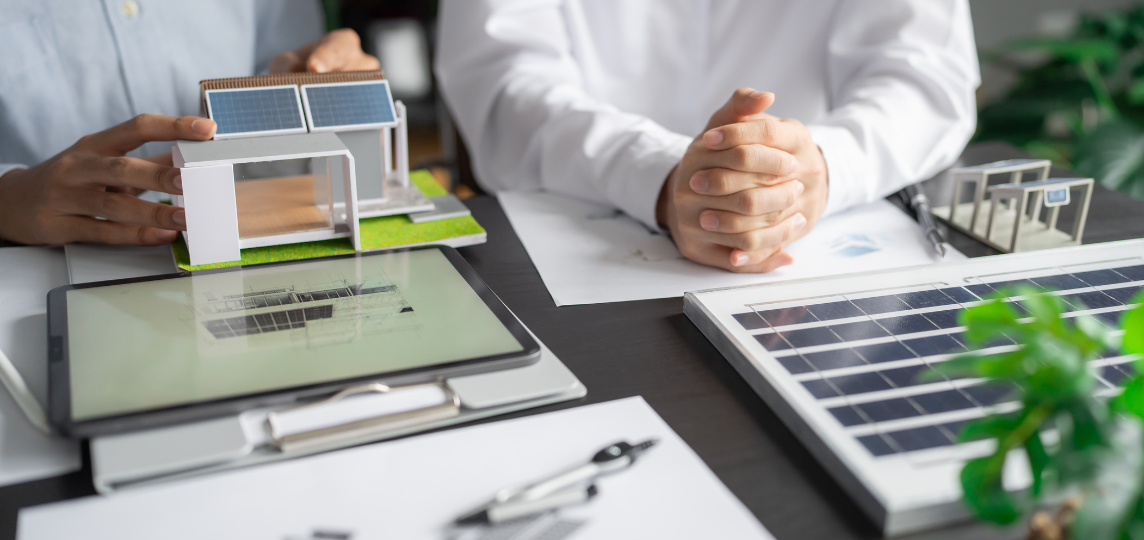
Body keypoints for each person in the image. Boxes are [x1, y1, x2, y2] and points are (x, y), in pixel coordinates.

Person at [435, 0, 980, 273]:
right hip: (567, 250)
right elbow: (504, 83)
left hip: (805, 246)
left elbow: (924, 77)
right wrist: (659, 173)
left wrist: (821, 167)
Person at [0, 1, 378, 246]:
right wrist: (7, 197)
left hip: (254, 230)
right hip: (39, 261)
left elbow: (286, 69)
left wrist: (324, 88)